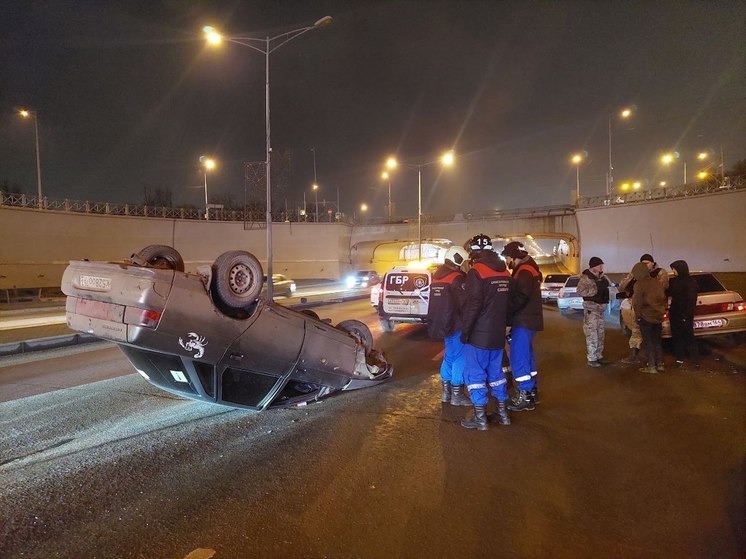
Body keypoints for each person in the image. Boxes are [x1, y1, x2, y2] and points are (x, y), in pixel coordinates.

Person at [459, 233, 512, 430]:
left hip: (479, 334)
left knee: (475, 375)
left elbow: (474, 305)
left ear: (473, 251)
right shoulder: (504, 271)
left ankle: (480, 418)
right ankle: (503, 413)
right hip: (497, 333)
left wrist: (466, 331)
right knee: (496, 373)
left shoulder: (477, 272)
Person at [501, 240, 543, 411]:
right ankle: (532, 391)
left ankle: (524, 395)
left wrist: (506, 313)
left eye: (507, 258)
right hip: (529, 320)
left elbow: (520, 297)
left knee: (519, 357)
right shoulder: (530, 268)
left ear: (513, 257)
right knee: (527, 355)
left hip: (523, 320)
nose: (507, 262)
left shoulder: (524, 271)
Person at [427, 246, 471, 406]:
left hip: (442, 324)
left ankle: (446, 393)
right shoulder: (457, 278)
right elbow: (464, 302)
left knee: (450, 356)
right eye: (464, 262)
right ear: (457, 260)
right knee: (460, 357)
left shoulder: (437, 276)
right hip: (456, 323)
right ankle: (457, 395)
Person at [617, 253, 668, 364]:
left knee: (653, 338)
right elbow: (621, 287)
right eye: (642, 264)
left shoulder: (659, 273)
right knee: (636, 331)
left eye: (647, 263)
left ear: (653, 263)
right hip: (639, 309)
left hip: (652, 310)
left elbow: (659, 291)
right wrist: (632, 275)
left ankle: (654, 363)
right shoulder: (637, 276)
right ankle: (635, 355)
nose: (645, 266)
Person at [631, 261, 667, 373]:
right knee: (657, 341)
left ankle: (651, 366)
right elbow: (663, 297)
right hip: (658, 315)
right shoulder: (656, 282)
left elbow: (637, 302)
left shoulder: (639, 284)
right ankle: (660, 364)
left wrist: (638, 316)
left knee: (648, 341)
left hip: (646, 316)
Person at [576, 256, 611, 367]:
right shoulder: (586, 278)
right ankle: (592, 358)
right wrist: (596, 289)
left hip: (600, 310)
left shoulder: (603, 277)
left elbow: (609, 288)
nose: (601, 267)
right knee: (592, 335)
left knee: (600, 334)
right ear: (593, 267)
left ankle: (599, 356)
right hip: (591, 310)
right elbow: (580, 291)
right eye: (599, 265)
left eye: (602, 265)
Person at [668, 260, 700, 368]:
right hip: (675, 314)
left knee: (689, 337)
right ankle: (679, 359)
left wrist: (686, 315)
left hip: (685, 315)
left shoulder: (690, 282)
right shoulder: (675, 281)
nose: (673, 271)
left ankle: (695, 361)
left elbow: (691, 300)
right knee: (677, 337)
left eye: (674, 269)